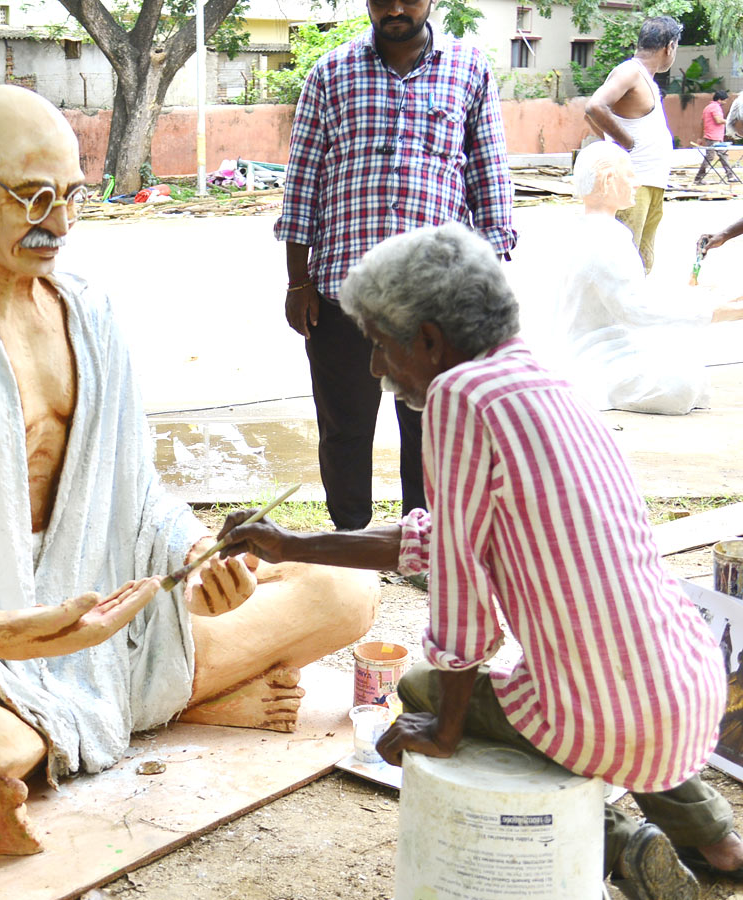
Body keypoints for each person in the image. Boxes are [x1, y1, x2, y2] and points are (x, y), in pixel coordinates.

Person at [0, 85, 381, 856]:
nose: (62, 222)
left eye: (74, 195)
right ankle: (99, 723)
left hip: (111, 636)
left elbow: (135, 495)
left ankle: (23, 752)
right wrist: (5, 633)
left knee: (348, 588)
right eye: (34, 197)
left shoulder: (92, 314)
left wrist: (191, 559)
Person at [217, 222, 743, 899]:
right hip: (686, 687)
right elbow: (440, 538)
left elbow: (461, 589)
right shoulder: (537, 377)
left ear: (429, 340)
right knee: (610, 679)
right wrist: (293, 544)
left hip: (610, 714)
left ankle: (619, 843)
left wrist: (446, 724)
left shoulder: (459, 397)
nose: (376, 368)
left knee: (423, 688)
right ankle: (718, 841)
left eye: (381, 345)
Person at [275, 0, 515, 537]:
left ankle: (424, 541)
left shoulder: (470, 69)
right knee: (345, 428)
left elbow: (490, 179)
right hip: (342, 292)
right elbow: (303, 180)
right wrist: (297, 280)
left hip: (434, 301)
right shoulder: (329, 72)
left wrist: (489, 285)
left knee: (432, 427)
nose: (396, 9)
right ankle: (350, 538)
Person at [555, 141, 743, 415]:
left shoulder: (590, 231)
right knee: (682, 382)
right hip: (596, 354)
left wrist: (701, 300)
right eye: (630, 175)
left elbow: (634, 298)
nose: (637, 183)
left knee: (687, 362)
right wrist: (717, 311)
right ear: (609, 180)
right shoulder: (603, 239)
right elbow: (636, 310)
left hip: (609, 344)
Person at [585, 16, 682, 273]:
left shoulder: (645, 78)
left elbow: (592, 115)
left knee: (642, 260)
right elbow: (594, 107)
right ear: (669, 47)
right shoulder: (630, 71)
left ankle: (635, 313)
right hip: (633, 185)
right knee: (623, 264)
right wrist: (623, 143)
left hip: (651, 182)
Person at [694, 90, 740, 185]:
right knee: (711, 157)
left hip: (712, 136)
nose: (725, 102)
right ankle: (698, 178)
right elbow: (718, 120)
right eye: (724, 100)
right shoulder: (716, 107)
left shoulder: (707, 108)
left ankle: (730, 176)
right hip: (713, 136)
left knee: (720, 156)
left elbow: (702, 123)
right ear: (719, 99)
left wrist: (700, 137)